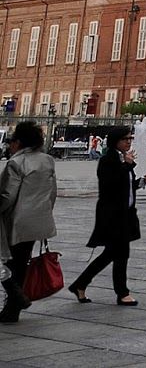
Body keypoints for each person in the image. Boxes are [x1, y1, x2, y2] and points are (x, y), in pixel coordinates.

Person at [68, 125, 146, 307]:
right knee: (121, 254)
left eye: (131, 138)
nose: (129, 141)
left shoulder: (123, 159)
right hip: (113, 216)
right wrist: (127, 165)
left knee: (111, 254)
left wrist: (141, 182)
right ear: (116, 141)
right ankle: (122, 293)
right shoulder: (107, 160)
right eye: (125, 139)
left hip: (125, 214)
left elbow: (126, 185)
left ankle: (80, 284)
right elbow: (109, 185)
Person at [0, 122, 58, 324]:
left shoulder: (15, 164)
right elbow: (52, 192)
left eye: (12, 142)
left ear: (18, 142)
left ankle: (16, 298)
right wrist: (45, 212)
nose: (10, 147)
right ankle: (12, 309)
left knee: (7, 262)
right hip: (37, 220)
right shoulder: (48, 160)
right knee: (21, 262)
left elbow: (7, 196)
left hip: (16, 221)